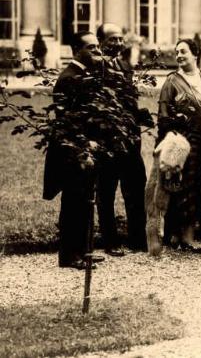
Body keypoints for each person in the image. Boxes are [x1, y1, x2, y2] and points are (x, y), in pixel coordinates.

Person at [43, 31, 106, 269]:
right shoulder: (69, 78)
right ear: (76, 51)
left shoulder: (85, 75)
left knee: (85, 199)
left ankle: (83, 250)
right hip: (72, 150)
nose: (97, 51)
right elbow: (67, 120)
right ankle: (70, 255)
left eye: (97, 47)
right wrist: (82, 148)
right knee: (74, 202)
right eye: (91, 48)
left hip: (86, 147)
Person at [156, 38, 201, 252]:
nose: (180, 56)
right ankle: (182, 238)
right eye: (177, 53)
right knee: (184, 188)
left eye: (183, 51)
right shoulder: (171, 82)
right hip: (184, 144)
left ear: (195, 53)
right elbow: (163, 118)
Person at [95, 23, 147, 256]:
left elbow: (129, 103)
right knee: (106, 192)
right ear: (100, 41)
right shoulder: (96, 69)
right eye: (112, 39)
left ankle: (137, 238)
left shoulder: (125, 66)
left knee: (136, 189)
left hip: (130, 140)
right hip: (107, 142)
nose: (117, 43)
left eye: (119, 39)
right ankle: (111, 241)